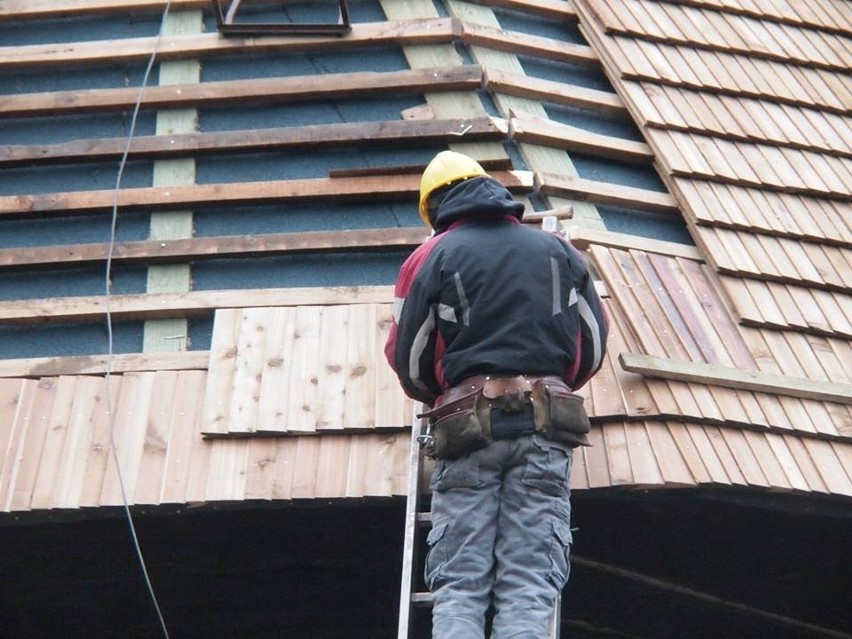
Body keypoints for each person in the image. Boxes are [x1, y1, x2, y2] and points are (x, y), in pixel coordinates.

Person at [385, 150, 609, 639]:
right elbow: (591, 346)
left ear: (436, 209)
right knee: (528, 585)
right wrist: (549, 384)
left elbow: (409, 357)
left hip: (466, 429)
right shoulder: (559, 251)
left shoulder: (431, 256)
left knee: (460, 586)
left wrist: (444, 394)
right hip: (545, 429)